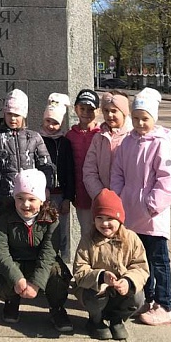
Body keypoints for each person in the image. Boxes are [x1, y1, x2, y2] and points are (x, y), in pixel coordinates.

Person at [111, 88, 171, 326]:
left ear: (154, 118)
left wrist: (151, 205)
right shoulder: (128, 142)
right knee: (140, 261)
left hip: (152, 217)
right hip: (130, 213)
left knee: (158, 260)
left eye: (145, 118)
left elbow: (167, 181)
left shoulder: (160, 144)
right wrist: (119, 198)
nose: (140, 123)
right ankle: (147, 299)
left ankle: (164, 303)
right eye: (136, 117)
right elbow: (117, 172)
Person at [0, 169, 72, 333]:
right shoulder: (4, 219)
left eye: (31, 199)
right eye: (20, 198)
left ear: (41, 200)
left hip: (39, 263)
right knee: (0, 277)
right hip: (16, 262)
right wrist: (17, 280)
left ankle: (57, 308)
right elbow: (0, 252)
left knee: (58, 273)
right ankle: (11, 301)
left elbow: (48, 254)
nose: (25, 204)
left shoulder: (51, 220)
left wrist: (36, 283)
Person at [73, 188, 149, 340]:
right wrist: (100, 277)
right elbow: (80, 270)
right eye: (99, 218)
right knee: (93, 295)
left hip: (120, 292)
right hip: (96, 291)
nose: (105, 223)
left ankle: (117, 320)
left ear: (120, 219)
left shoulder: (131, 239)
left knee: (138, 297)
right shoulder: (88, 240)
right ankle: (95, 320)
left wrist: (128, 281)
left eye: (110, 218)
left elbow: (141, 267)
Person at [0, 89, 53, 214]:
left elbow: (45, 165)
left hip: (30, 196)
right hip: (5, 196)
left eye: (17, 115)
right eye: (9, 114)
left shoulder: (34, 138)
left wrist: (46, 188)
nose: (12, 118)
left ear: (24, 115)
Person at [62, 88, 101, 237]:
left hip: (100, 194)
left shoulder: (101, 135)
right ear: (75, 109)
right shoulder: (70, 136)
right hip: (81, 196)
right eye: (82, 108)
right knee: (86, 233)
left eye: (90, 109)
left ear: (97, 111)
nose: (85, 112)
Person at [39, 92, 73, 261]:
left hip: (60, 195)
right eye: (48, 121)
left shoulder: (65, 143)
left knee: (62, 231)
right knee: (44, 230)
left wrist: (68, 197)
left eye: (55, 123)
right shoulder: (36, 140)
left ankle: (64, 263)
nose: (51, 126)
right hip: (43, 194)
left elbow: (70, 171)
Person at [82, 91, 132, 201]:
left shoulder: (132, 137)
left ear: (124, 112)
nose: (109, 115)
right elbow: (89, 170)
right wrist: (100, 195)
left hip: (127, 201)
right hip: (103, 200)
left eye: (114, 111)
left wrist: (124, 197)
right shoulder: (99, 137)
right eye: (106, 111)